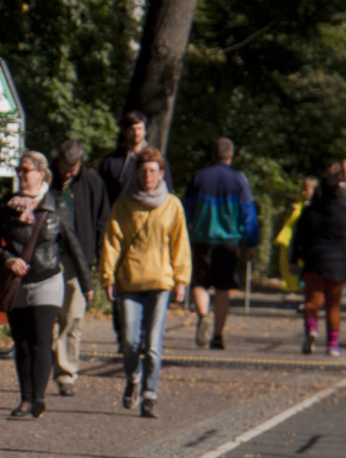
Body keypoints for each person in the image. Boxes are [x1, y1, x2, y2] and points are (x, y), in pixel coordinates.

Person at [0, 150, 94, 418]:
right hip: (17, 282)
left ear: (41, 174)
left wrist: (86, 282)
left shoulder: (55, 204)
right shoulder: (7, 204)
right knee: (21, 342)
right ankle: (25, 399)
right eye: (19, 170)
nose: (20, 175)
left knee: (42, 341)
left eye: (26, 170)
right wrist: (7, 259)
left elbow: (72, 244)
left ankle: (38, 397)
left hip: (48, 279)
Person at [98, 147, 189, 419]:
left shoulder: (172, 205)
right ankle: (133, 377)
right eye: (143, 170)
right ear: (136, 173)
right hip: (130, 281)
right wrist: (107, 276)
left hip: (160, 281)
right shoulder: (124, 205)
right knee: (128, 341)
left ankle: (150, 394)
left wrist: (181, 280)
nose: (148, 175)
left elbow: (180, 244)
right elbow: (112, 243)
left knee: (152, 343)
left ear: (161, 173)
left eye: (153, 170)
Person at [183, 137, 259, 350]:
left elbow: (186, 209)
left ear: (212, 155)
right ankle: (217, 335)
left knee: (199, 283)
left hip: (202, 238)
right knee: (223, 288)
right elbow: (248, 213)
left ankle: (203, 315)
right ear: (231, 156)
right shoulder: (239, 180)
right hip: (228, 241)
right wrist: (250, 243)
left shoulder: (199, 178)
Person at [52, 139, 110, 396]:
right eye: (65, 167)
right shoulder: (48, 181)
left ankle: (66, 374)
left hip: (79, 261)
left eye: (72, 168)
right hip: (49, 259)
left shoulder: (93, 184)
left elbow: (102, 223)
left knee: (72, 319)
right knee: (47, 319)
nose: (68, 173)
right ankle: (44, 369)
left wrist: (96, 260)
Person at [289, 173, 346, 356]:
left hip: (314, 261)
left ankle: (312, 329)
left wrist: (294, 259)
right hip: (339, 264)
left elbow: (298, 237)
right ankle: (332, 344)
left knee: (312, 301)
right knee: (334, 305)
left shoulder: (309, 211)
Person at [98, 111, 174, 201]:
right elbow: (103, 194)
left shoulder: (156, 160)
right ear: (125, 131)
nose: (136, 133)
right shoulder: (112, 161)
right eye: (132, 129)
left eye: (139, 129)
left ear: (145, 131)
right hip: (120, 211)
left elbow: (167, 190)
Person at [274, 176, 319, 294]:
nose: (304, 192)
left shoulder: (315, 206)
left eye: (307, 189)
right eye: (303, 189)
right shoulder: (299, 203)